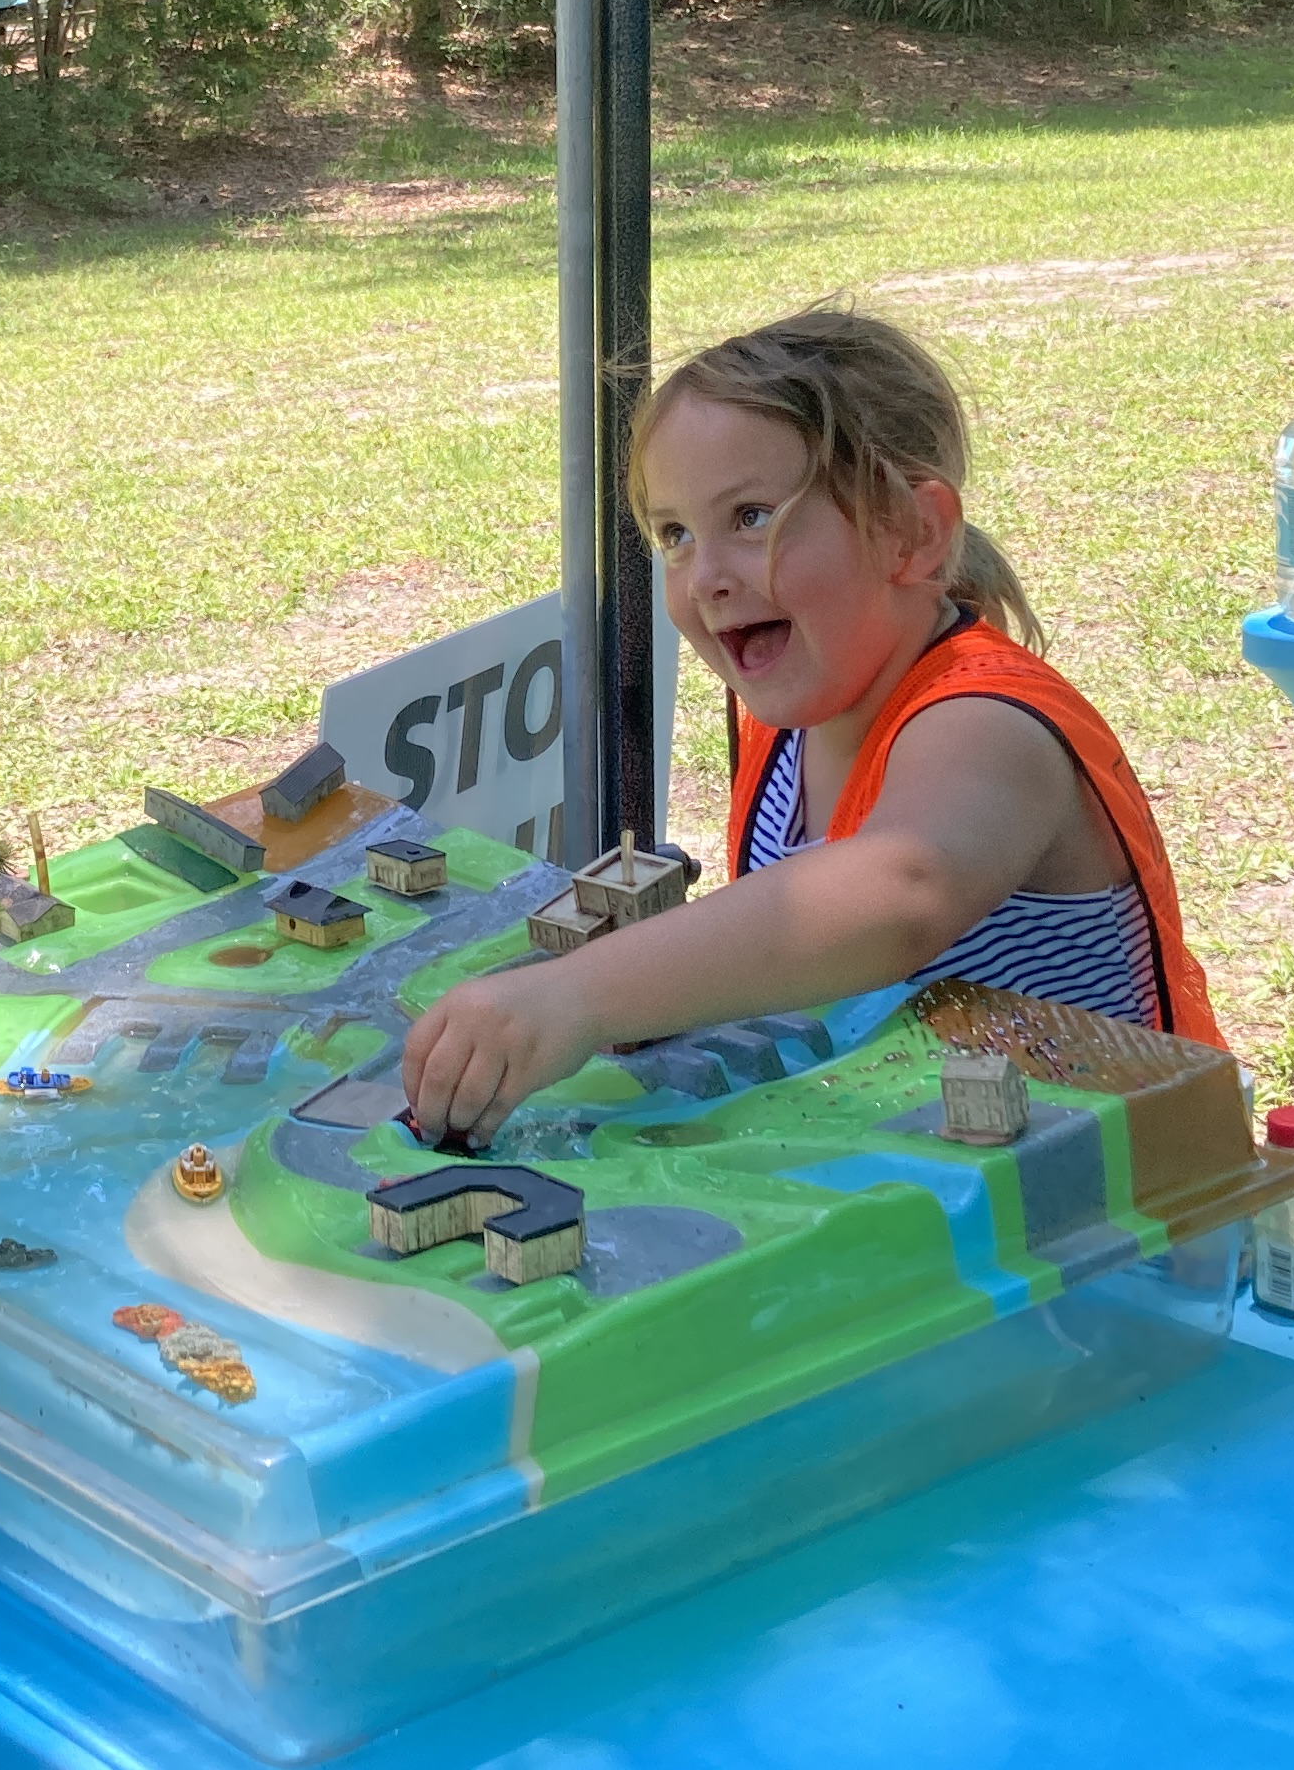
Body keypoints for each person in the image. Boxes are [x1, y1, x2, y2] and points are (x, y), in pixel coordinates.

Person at [401, 308, 1217, 1146]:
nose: (707, 577)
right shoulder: (792, 713)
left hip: (1109, 1218)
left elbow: (901, 893)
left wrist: (580, 994)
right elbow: (803, 947)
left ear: (914, 533)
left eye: (752, 516)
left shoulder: (984, 724)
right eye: (677, 534)